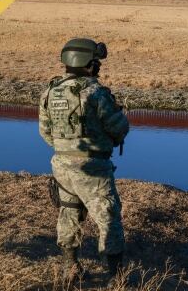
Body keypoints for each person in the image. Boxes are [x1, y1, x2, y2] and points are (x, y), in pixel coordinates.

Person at [37, 35, 130, 277]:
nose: (98, 67)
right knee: (108, 217)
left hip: (61, 165)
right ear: (88, 63)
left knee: (68, 211)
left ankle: (71, 266)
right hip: (92, 167)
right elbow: (118, 128)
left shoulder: (50, 90)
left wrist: (67, 149)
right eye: (96, 62)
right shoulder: (96, 93)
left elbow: (45, 132)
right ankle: (115, 277)